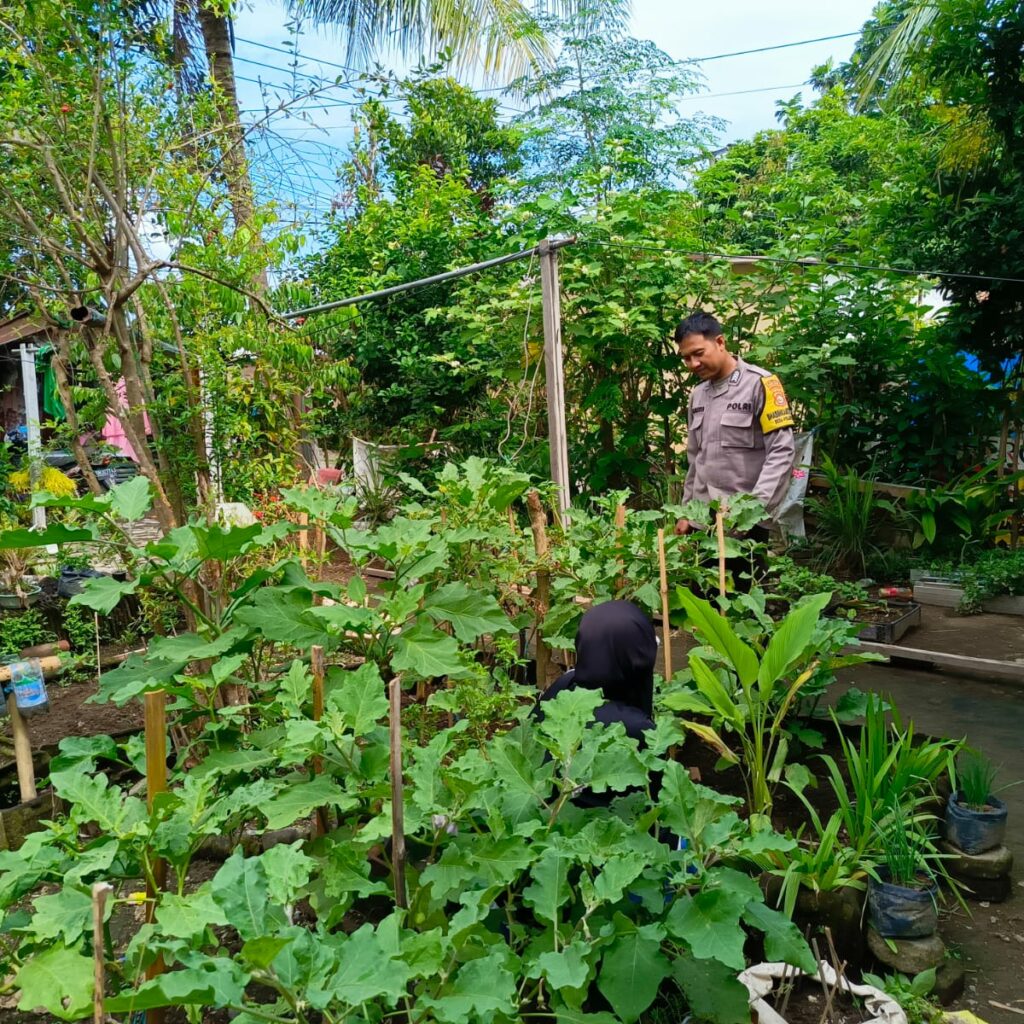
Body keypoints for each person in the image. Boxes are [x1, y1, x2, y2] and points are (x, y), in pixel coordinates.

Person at [673, 311, 796, 553]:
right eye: (686, 358)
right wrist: (686, 512)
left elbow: (781, 454)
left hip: (745, 524)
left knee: (743, 590)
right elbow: (695, 460)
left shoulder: (761, 384)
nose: (693, 364)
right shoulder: (698, 395)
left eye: (698, 354)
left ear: (720, 342)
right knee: (700, 590)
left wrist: (749, 512)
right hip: (702, 521)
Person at [535, 601, 657, 807]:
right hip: (597, 832)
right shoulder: (636, 728)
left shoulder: (563, 687)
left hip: (543, 817)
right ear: (639, 656)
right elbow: (655, 808)